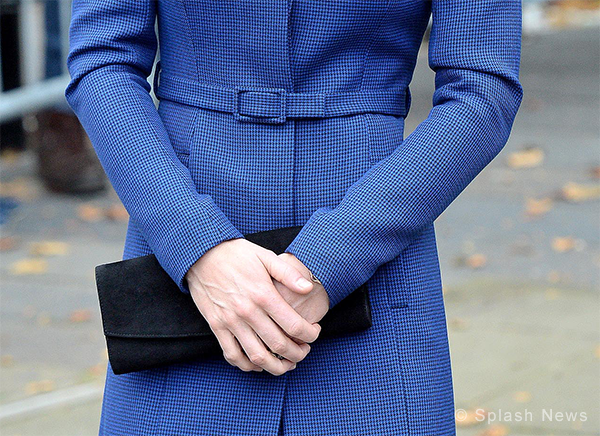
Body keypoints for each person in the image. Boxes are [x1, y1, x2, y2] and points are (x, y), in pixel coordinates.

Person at [65, 0, 523, 434]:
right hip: (185, 232)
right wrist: (197, 244)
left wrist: (328, 261)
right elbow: (103, 59)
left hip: (374, 238)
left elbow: (483, 89)